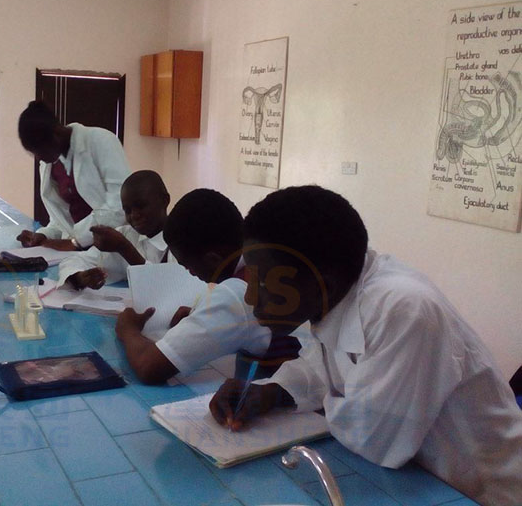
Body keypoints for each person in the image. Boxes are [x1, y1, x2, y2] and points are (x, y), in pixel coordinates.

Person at [209, 185, 522, 506]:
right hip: (412, 480)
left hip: (480, 492)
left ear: (323, 285)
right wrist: (269, 392)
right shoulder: (338, 292)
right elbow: (321, 366)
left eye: (264, 284)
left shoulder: (402, 308)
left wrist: (332, 400)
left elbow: (373, 439)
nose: (250, 298)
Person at [116, 189, 280, 385]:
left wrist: (128, 329)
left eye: (188, 265)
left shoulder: (235, 294)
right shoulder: (256, 270)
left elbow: (149, 366)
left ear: (213, 259)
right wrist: (200, 318)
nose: (190, 273)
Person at [16, 100, 130, 251]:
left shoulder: (101, 141)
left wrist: (76, 242)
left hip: (113, 245)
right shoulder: (51, 163)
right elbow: (62, 219)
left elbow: (120, 205)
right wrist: (44, 235)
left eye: (39, 150)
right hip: (78, 249)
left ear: (55, 134)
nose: (38, 158)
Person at [57, 170, 171, 289]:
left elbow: (166, 288)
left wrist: (125, 249)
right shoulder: (127, 235)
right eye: (127, 210)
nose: (134, 215)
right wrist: (80, 277)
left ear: (165, 201)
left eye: (141, 206)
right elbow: (76, 260)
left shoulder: (181, 240)